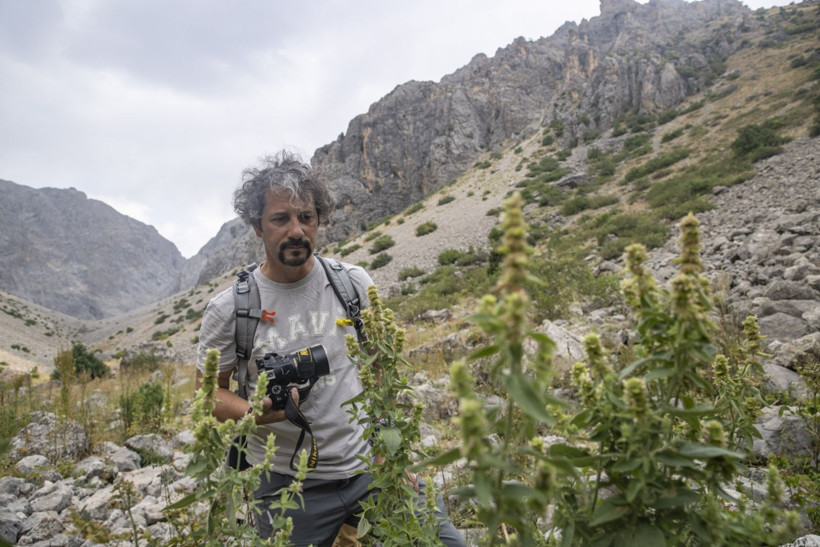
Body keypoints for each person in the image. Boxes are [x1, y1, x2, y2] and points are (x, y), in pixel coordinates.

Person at [196, 151, 465, 547]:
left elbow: (380, 372)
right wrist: (254, 414)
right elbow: (209, 395)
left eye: (306, 217)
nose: (296, 230)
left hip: (368, 469)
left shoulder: (352, 284)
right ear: (257, 226)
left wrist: (387, 451)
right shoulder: (231, 308)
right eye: (280, 218)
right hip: (288, 486)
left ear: (320, 219)